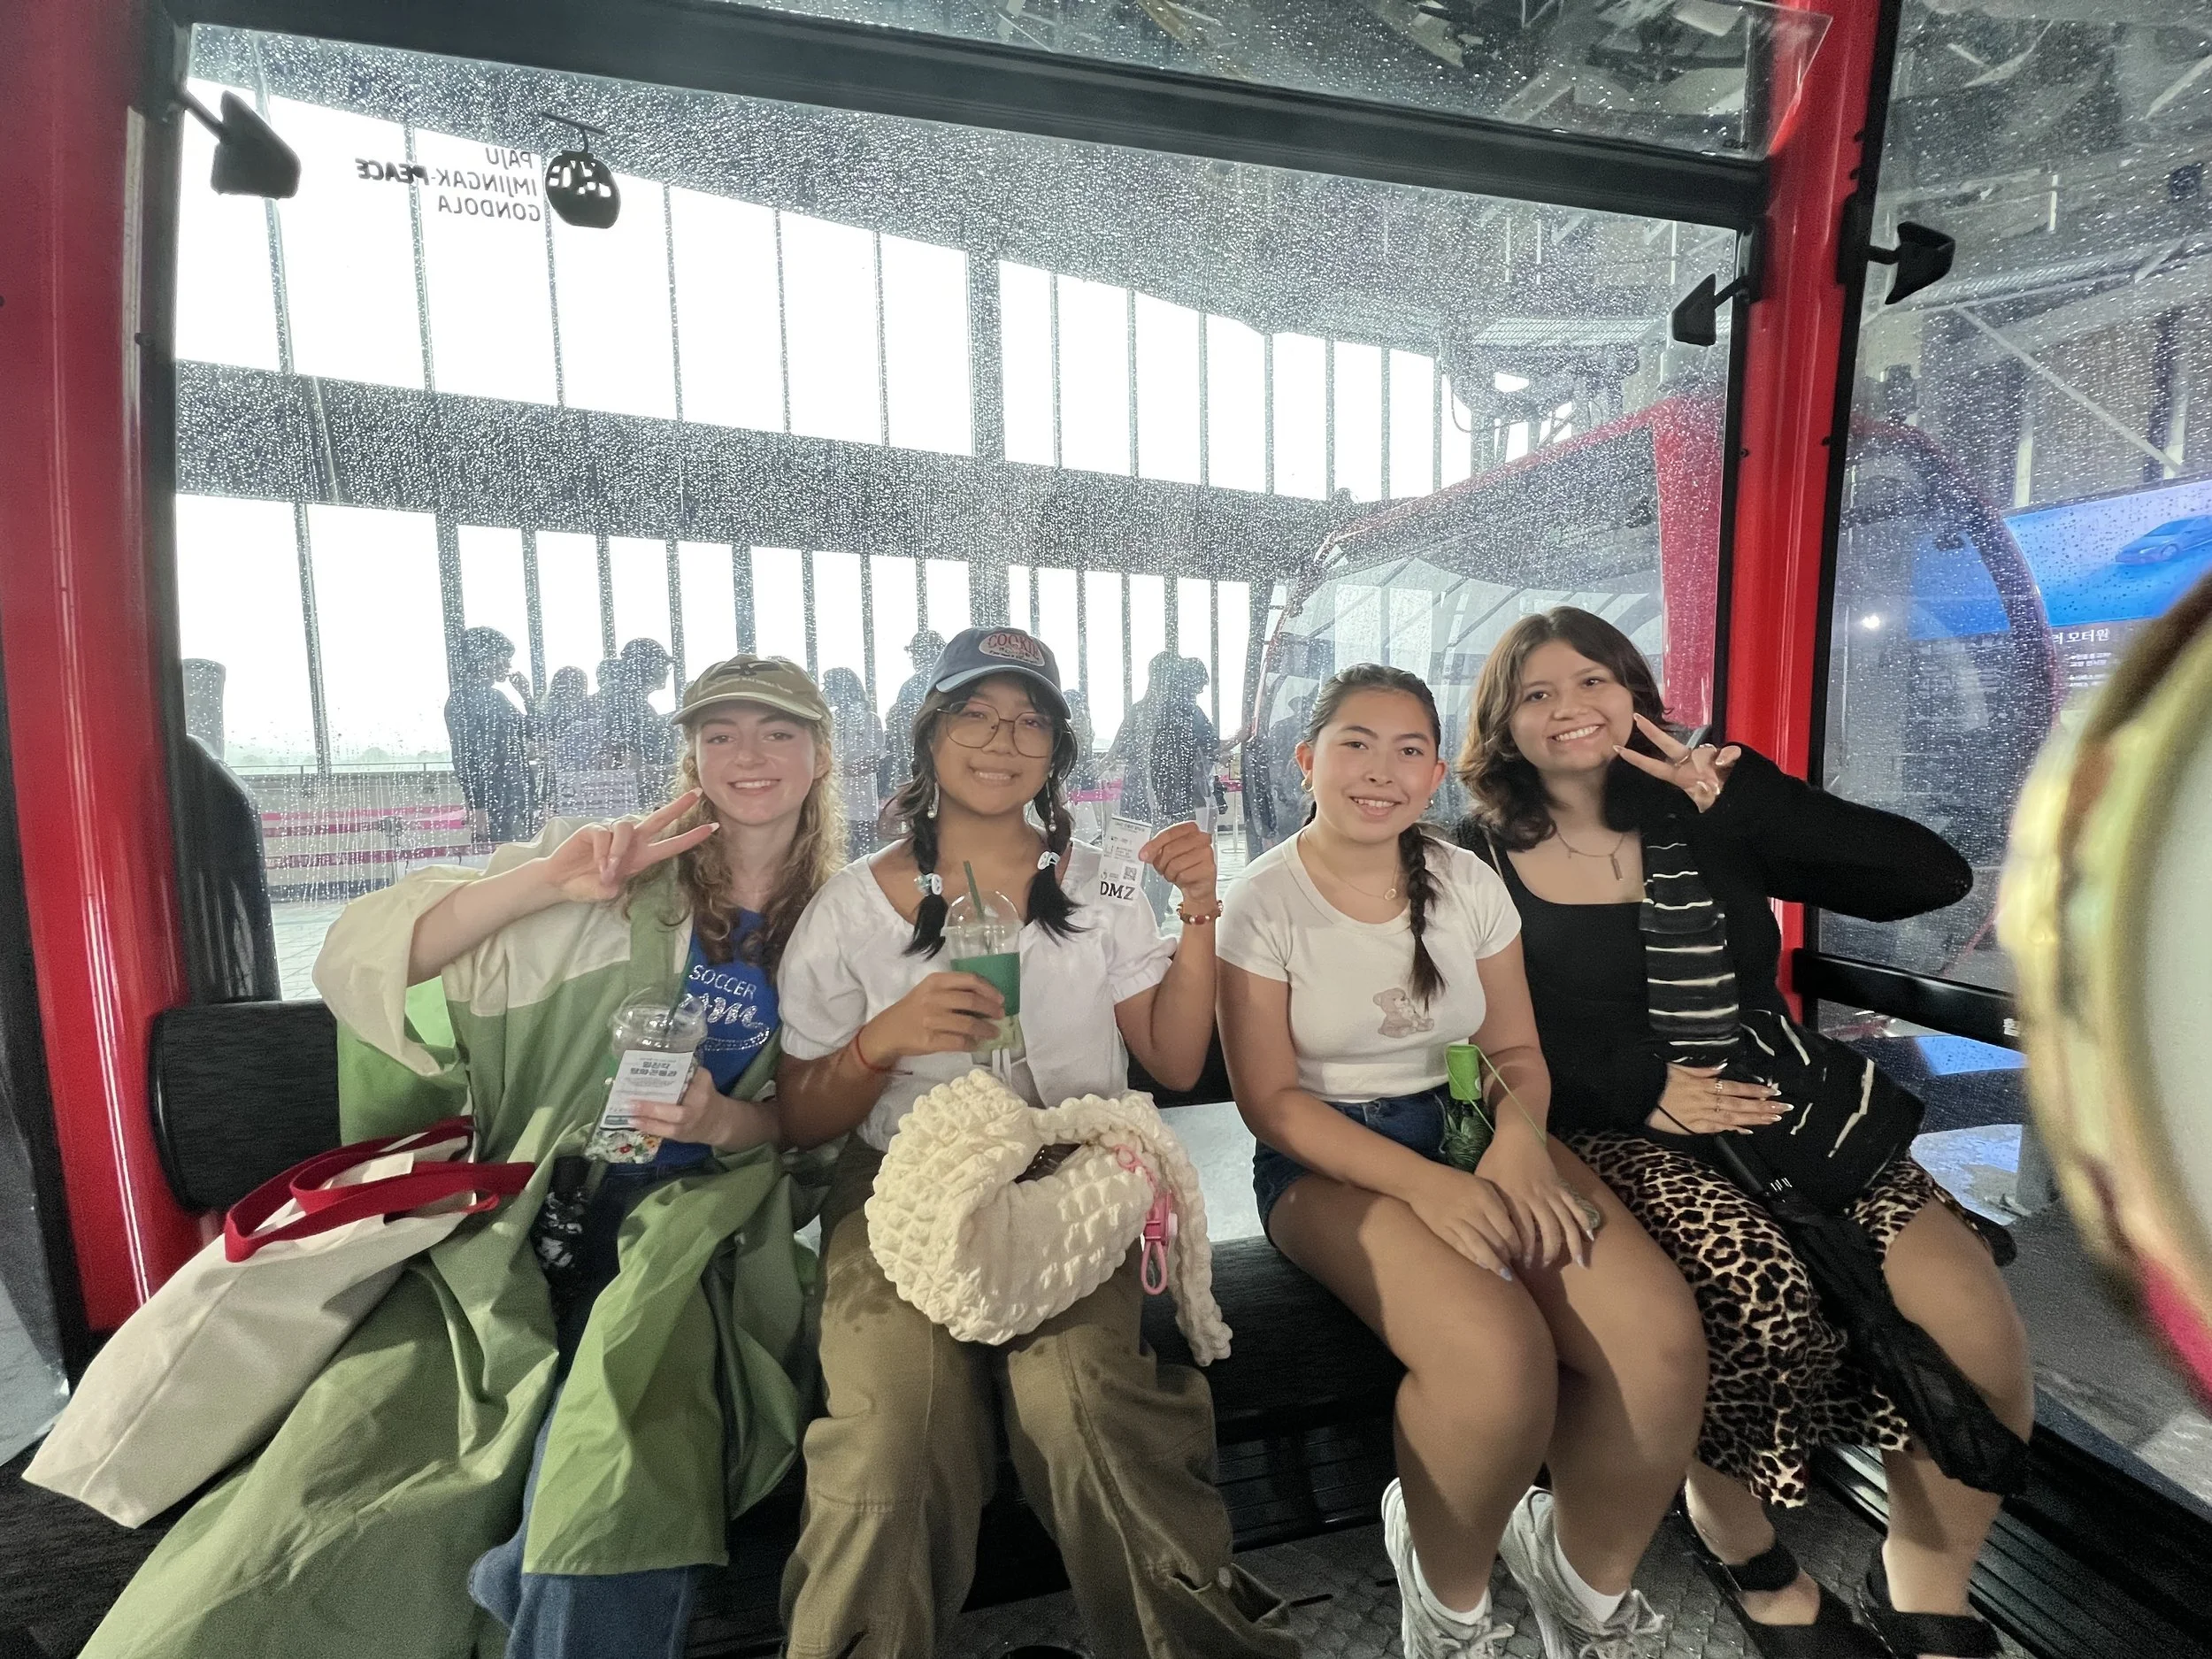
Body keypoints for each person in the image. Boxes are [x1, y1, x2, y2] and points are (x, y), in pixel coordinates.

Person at [79, 657, 846, 1659]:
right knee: (345, 1477)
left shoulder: (845, 924)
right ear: (690, 755)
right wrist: (545, 881)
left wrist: (718, 1124)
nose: (749, 755)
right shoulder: (610, 885)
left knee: (619, 1463)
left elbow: (822, 1119)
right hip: (519, 1229)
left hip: (694, 1244)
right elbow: (372, 955)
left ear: (823, 757)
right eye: (721, 733)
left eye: (778, 732)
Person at [1453, 607, 2032, 1659]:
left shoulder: (1702, 813)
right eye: (1535, 694)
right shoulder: (1472, 860)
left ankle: (1926, 1598)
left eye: (1592, 680)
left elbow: (1929, 879)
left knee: (1973, 1328)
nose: (1568, 708)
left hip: (1792, 1105)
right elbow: (1465, 1036)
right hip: (1610, 1125)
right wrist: (1638, 1086)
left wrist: (1740, 794)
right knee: (1753, 1301)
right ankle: (1754, 1563)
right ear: (1503, 726)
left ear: (1632, 695)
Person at [772, 626, 1297, 1659]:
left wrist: (1196, 909)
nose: (1002, 737)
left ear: (1057, 751)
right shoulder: (850, 906)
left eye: (1030, 719)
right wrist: (883, 1040)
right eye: (974, 711)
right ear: (928, 736)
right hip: (902, 1181)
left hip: (1071, 1174)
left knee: (1087, 1408)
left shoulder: (1102, 887)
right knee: (893, 1435)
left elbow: (1176, 1058)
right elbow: (799, 1114)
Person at [1215, 663, 1707, 1659]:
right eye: (1355, 743)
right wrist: (1430, 1185)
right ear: (1306, 760)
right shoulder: (1262, 901)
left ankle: (1582, 1588)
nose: (1379, 770)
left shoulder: (1465, 881)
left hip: (1472, 1122)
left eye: (1408, 750)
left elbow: (1513, 1054)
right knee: (1496, 1357)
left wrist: (1517, 1149)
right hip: (1327, 1155)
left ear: (1436, 771)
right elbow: (1270, 1103)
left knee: (1655, 1340)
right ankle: (1448, 1605)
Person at [447, 626, 539, 844]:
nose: (508, 665)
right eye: (503, 658)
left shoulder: (492, 697)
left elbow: (535, 731)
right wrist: (479, 809)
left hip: (508, 798)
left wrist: (526, 696)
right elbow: (465, 757)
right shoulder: (468, 699)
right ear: (484, 659)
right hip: (499, 800)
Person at [818, 666, 885, 859]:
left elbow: (875, 760)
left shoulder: (869, 719)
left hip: (862, 796)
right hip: (836, 795)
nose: (826, 693)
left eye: (830, 688)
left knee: (862, 850)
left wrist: (842, 771)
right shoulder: (831, 720)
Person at [879, 626, 945, 798]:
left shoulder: (914, 685)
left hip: (920, 756)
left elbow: (902, 722)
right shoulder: (949, 681)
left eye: (916, 653)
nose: (914, 658)